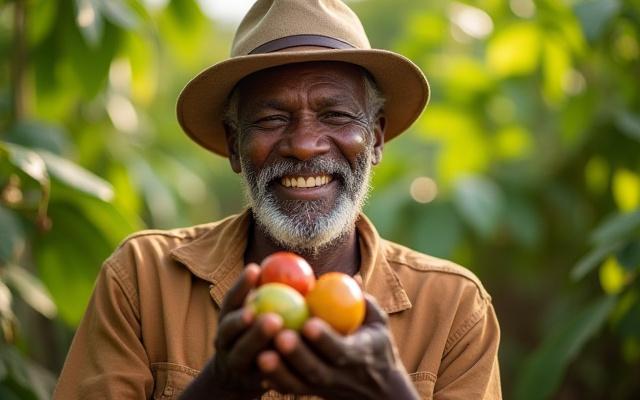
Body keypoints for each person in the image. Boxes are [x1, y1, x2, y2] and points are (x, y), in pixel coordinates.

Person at [53, 0, 502, 399]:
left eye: (335, 114)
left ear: (377, 136)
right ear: (234, 144)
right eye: (271, 118)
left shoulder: (454, 310)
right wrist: (218, 388)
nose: (304, 145)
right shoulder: (143, 280)